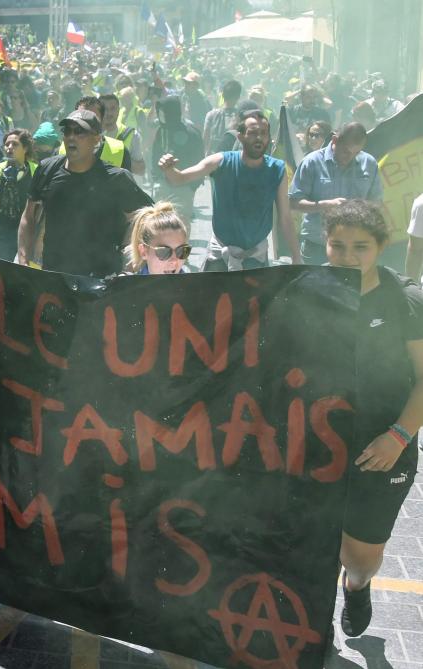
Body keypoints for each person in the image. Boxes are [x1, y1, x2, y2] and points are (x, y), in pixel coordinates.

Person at [322, 200, 422, 638]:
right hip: (319, 443)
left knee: (359, 557)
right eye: (337, 245)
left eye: (360, 246)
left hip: (382, 446)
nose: (347, 256)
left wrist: (398, 436)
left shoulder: (404, 299)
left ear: (381, 247)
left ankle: (357, 585)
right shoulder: (310, 290)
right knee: (314, 542)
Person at [19, 109, 154, 277]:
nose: (71, 137)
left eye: (79, 132)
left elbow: (147, 219)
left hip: (102, 279)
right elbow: (28, 216)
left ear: (97, 139)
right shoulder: (47, 169)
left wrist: (129, 262)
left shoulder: (116, 178)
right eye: (67, 131)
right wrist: (24, 260)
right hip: (54, 277)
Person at [160, 110, 299, 270]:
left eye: (263, 133)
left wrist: (296, 256)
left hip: (256, 258)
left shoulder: (277, 169)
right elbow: (179, 178)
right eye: (253, 133)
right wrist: (169, 169)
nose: (259, 138)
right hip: (220, 256)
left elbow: (285, 218)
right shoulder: (221, 161)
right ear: (240, 136)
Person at [290, 122, 382, 266]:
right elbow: (293, 203)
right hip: (317, 246)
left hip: (355, 248)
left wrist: (359, 209)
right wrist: (325, 205)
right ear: (334, 140)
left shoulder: (369, 163)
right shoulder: (312, 162)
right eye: (346, 151)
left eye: (356, 153)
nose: (350, 157)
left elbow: (376, 203)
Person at [150, 95, 204, 224]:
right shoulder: (161, 131)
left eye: (164, 112)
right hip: (162, 185)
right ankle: (163, 245)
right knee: (161, 224)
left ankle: (183, 245)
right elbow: (154, 156)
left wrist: (192, 186)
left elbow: (199, 160)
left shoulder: (191, 133)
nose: (161, 115)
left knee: (182, 224)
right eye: (160, 112)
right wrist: (156, 179)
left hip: (184, 186)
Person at [0, 129, 33, 260]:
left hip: (27, 232)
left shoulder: (36, 171)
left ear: (25, 148)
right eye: (7, 144)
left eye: (15, 144)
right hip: (2, 232)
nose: (9, 148)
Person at [123, 202, 191, 275]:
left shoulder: (196, 285)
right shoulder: (124, 285)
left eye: (182, 251)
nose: (174, 261)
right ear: (143, 252)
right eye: (164, 252)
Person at [202, 80, 242, 154]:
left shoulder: (211, 114)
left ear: (223, 95)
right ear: (238, 97)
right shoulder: (241, 117)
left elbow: (205, 138)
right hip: (232, 158)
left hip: (213, 157)